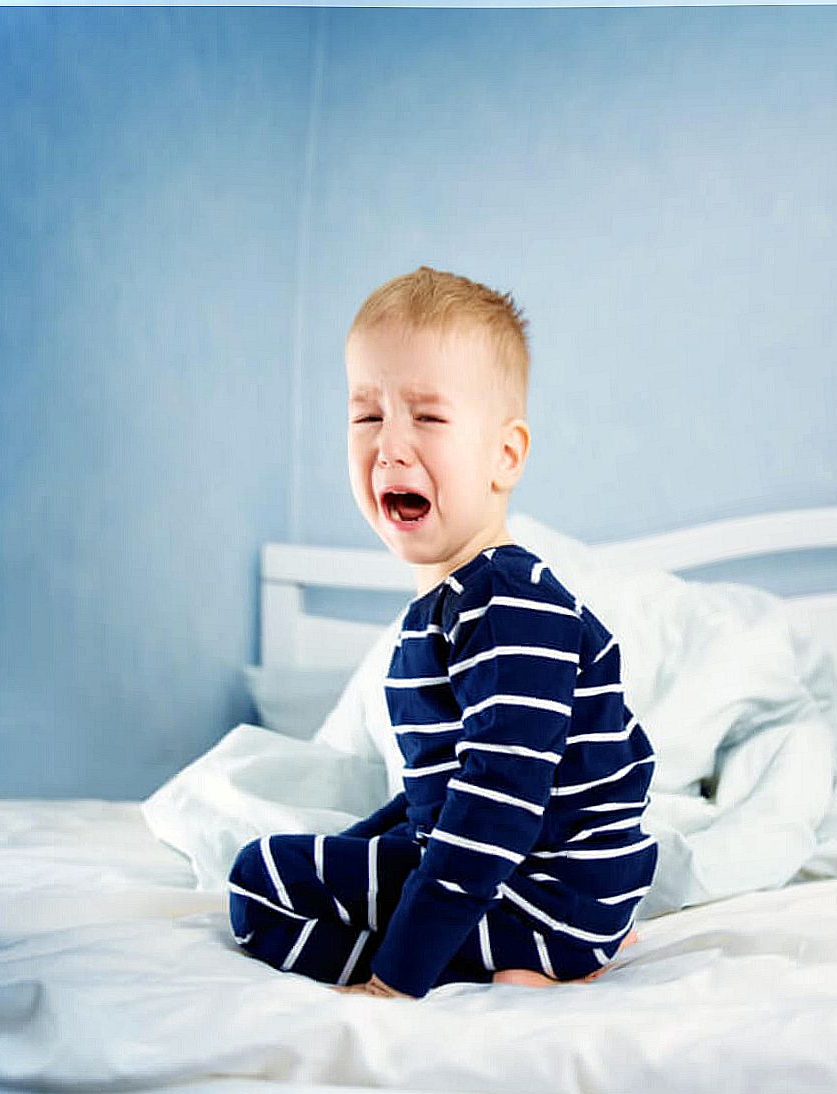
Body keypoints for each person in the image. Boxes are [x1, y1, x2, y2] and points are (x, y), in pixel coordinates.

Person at [227, 267, 658, 998]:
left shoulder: (511, 606)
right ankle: (523, 948)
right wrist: (355, 849)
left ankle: (526, 956)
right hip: (523, 878)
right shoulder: (449, 607)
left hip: (539, 890)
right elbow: (439, 793)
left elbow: (494, 801)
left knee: (260, 885)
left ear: (505, 455)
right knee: (314, 864)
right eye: (367, 416)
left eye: (427, 417)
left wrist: (398, 977)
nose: (391, 446)